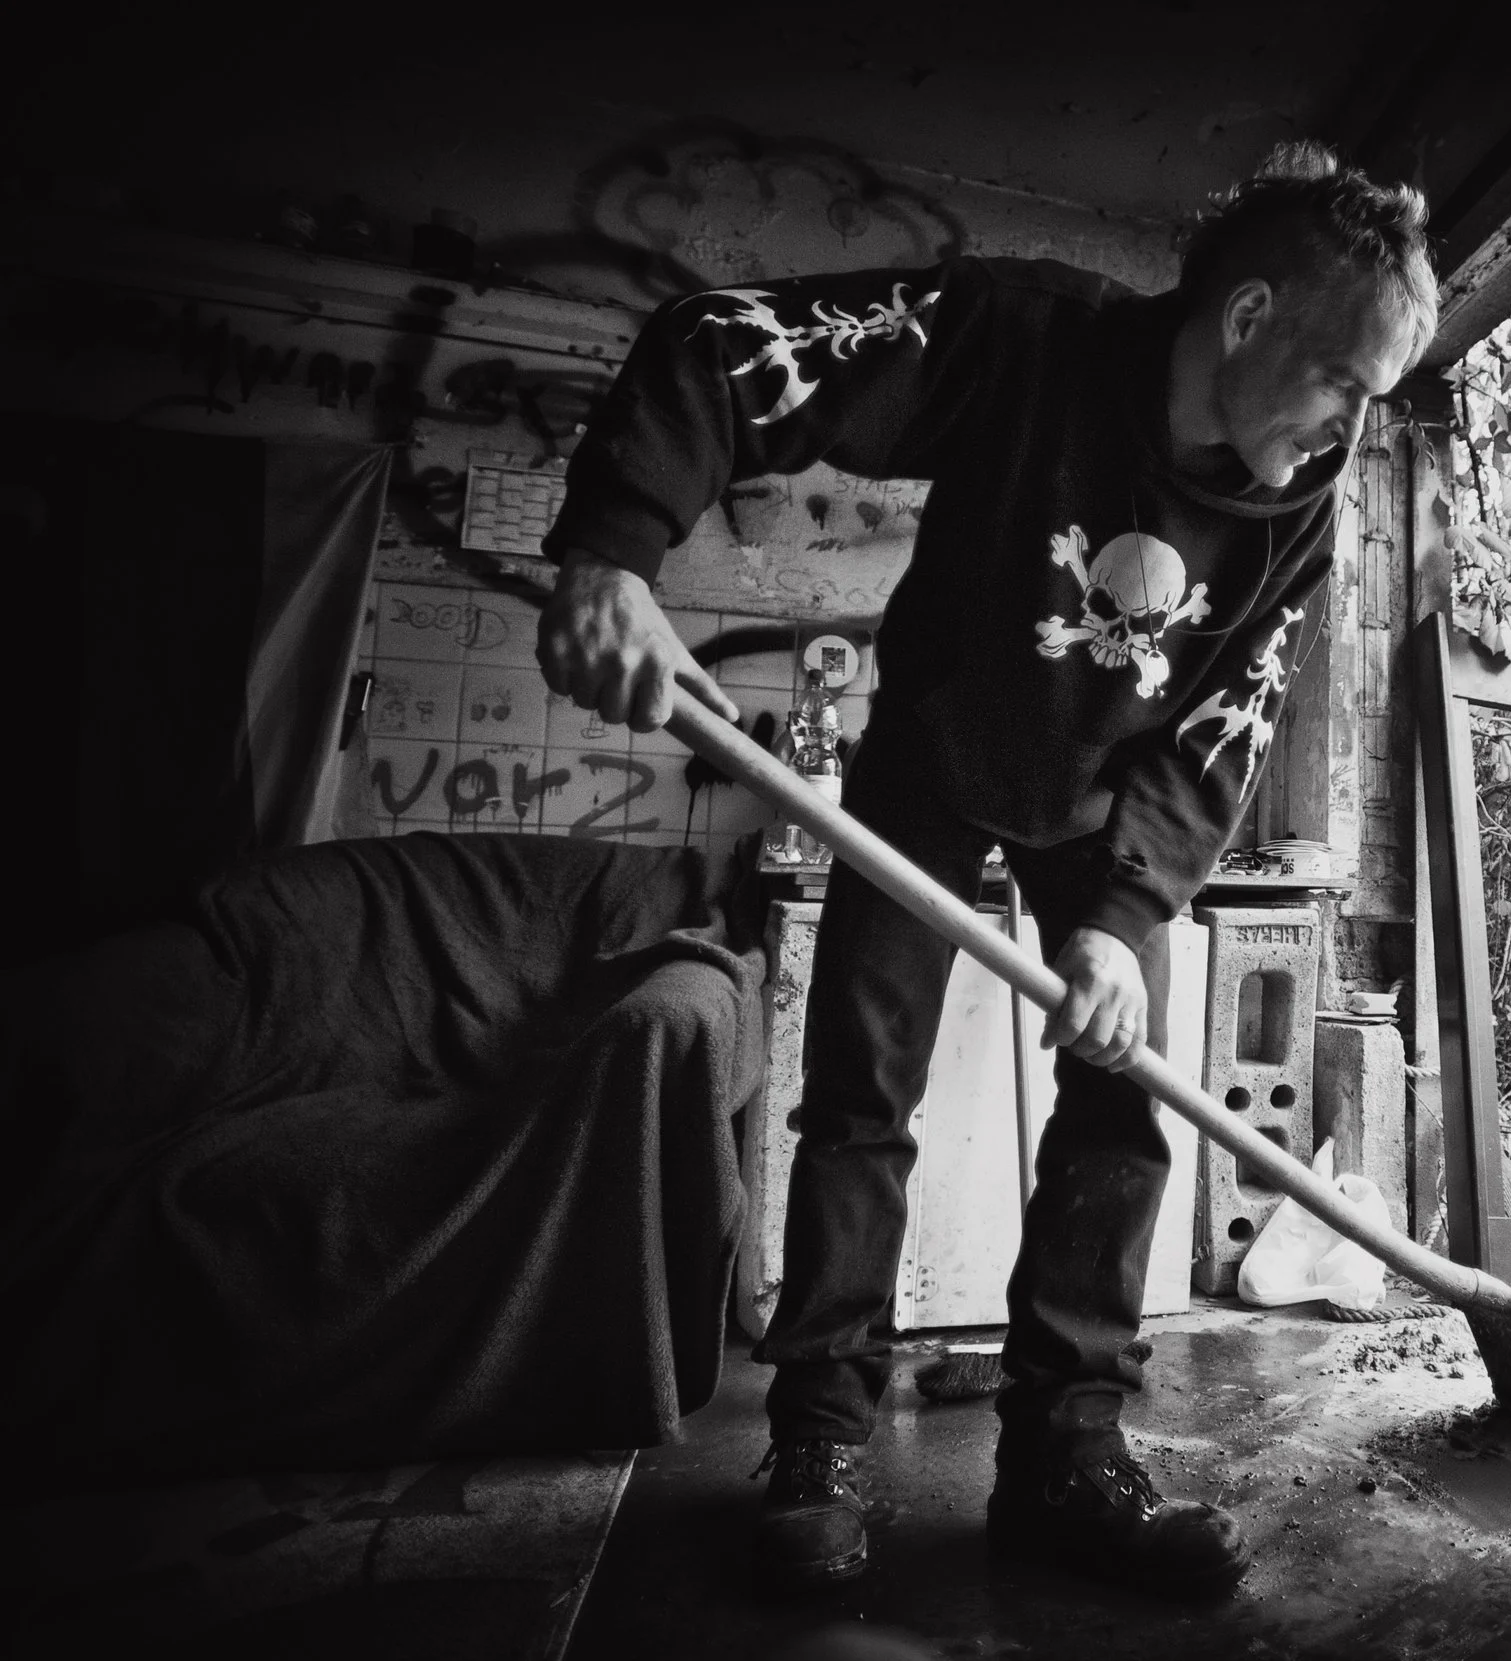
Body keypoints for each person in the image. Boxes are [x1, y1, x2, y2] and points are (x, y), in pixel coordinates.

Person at [535, 142, 1434, 1596]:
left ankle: (1066, 1459)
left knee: (1123, 1104)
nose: (1350, 430)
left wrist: (1127, 918)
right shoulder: (1021, 340)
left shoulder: (1305, 504)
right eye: (1346, 385)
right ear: (1252, 318)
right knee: (860, 1097)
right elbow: (726, 348)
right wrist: (611, 551)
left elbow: (1228, 717)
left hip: (1109, 809)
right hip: (937, 762)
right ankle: (820, 1439)